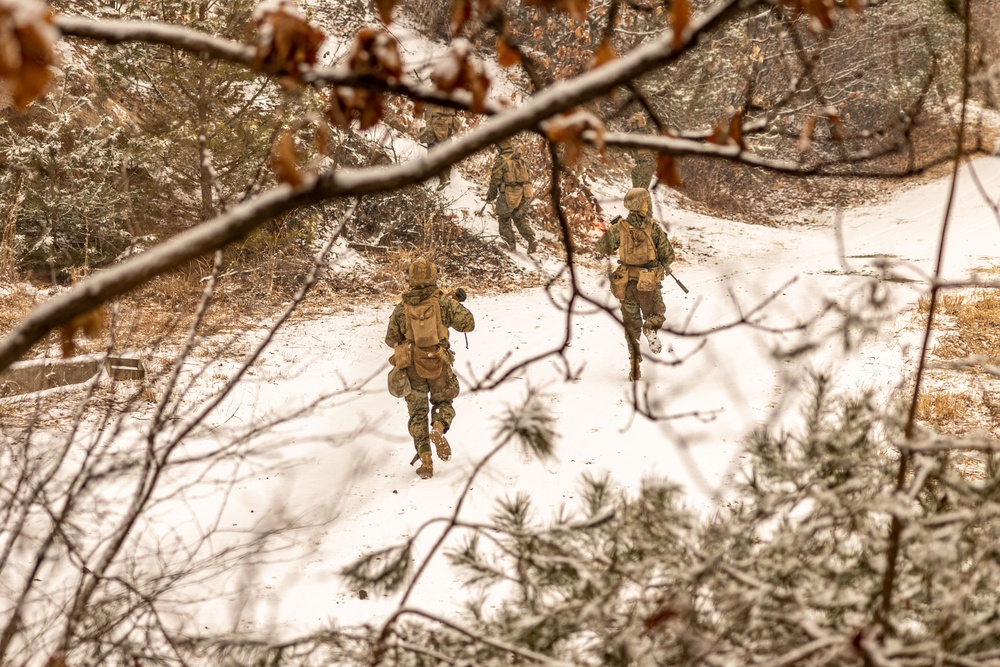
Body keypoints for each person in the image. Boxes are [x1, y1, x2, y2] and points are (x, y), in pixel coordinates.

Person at [385, 259, 475, 479]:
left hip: (413, 367)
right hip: (439, 363)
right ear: (433, 276)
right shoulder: (443, 302)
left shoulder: (402, 306)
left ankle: (426, 460)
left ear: (411, 279)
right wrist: (455, 302)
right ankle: (438, 427)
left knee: (417, 414)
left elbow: (391, 338)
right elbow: (468, 324)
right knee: (444, 402)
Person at [596, 188, 674, 381]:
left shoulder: (619, 228)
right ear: (643, 205)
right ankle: (650, 327)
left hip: (626, 284)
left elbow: (601, 247)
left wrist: (615, 231)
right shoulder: (653, 228)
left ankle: (634, 364)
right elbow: (668, 255)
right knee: (657, 314)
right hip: (648, 283)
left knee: (631, 325)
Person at [485, 137, 538, 254]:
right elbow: (528, 176)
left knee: (504, 218)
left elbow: (495, 180)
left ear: (500, 147)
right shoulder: (520, 159)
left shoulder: (502, 160)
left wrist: (491, 195)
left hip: (510, 193)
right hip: (526, 192)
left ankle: (510, 244)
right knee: (520, 217)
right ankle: (531, 239)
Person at [419, 105, 461, 189]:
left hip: (437, 122)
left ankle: (442, 178)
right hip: (449, 123)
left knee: (433, 151)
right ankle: (445, 177)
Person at [626, 113, 655, 189]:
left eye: (635, 123)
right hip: (642, 163)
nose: (633, 126)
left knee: (641, 190)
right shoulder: (637, 133)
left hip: (647, 163)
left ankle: (642, 199)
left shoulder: (646, 132)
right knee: (635, 173)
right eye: (632, 124)